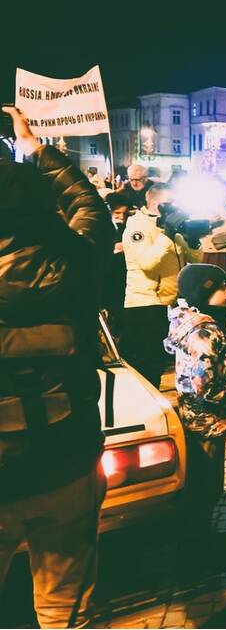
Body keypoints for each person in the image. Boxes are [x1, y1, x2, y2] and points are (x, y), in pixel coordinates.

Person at [0, 107, 113, 628]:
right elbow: (90, 208)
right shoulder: (77, 262)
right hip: (67, 463)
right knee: (64, 612)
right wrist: (36, 148)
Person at [164, 264, 226, 542]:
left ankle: (203, 538)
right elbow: (205, 385)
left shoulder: (191, 323)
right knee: (205, 487)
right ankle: (199, 547)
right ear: (203, 291)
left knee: (203, 485)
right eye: (221, 286)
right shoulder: (203, 334)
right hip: (208, 420)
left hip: (198, 418)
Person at [122, 184, 197, 387]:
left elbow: (192, 260)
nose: (175, 207)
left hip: (168, 304)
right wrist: (167, 235)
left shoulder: (167, 228)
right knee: (146, 367)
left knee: (158, 365)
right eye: (170, 203)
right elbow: (147, 263)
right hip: (145, 305)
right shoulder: (138, 227)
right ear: (155, 204)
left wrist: (194, 240)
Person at [104, 192, 133, 331]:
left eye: (124, 213)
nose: (121, 217)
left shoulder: (130, 228)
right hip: (109, 279)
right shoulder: (102, 229)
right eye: (117, 213)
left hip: (124, 280)